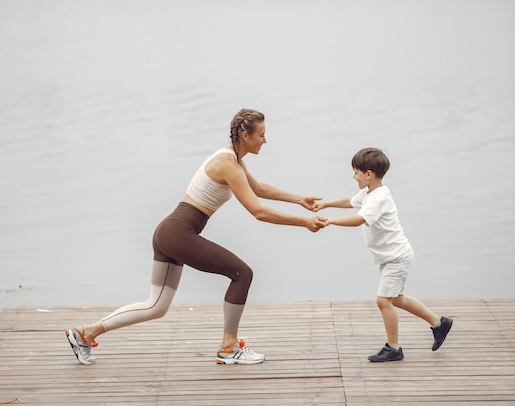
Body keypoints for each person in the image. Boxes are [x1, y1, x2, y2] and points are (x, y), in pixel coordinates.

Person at [66, 109, 326, 366]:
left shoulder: (232, 158)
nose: (265, 141)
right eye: (262, 135)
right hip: (179, 233)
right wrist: (303, 221)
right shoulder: (228, 164)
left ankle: (85, 334)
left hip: (169, 232)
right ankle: (229, 347)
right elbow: (257, 211)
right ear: (246, 136)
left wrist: (298, 199)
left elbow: (257, 188)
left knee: (156, 306)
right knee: (242, 274)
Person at [313, 147, 452, 362]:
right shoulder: (371, 193)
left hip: (397, 257)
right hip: (392, 257)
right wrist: (326, 203)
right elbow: (350, 202)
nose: (353, 176)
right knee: (396, 299)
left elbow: (359, 219)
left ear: (368, 174)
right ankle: (438, 323)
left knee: (383, 301)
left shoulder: (378, 198)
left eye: (356, 172)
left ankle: (393, 348)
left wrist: (330, 220)